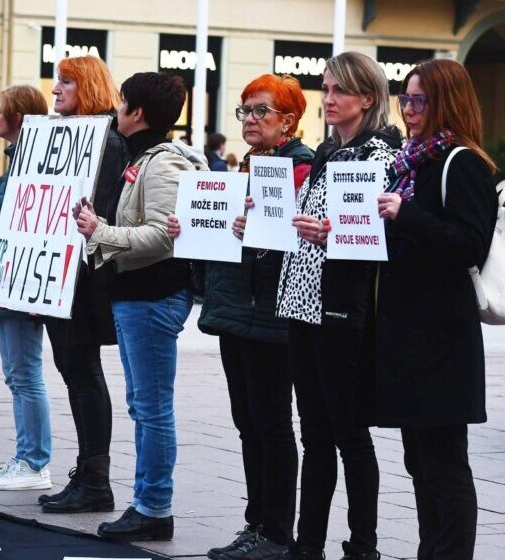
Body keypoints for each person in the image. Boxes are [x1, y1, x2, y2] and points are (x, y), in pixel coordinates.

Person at [167, 73, 315, 559]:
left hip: (271, 316)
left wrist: (259, 226)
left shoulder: (301, 169)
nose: (250, 120)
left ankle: (275, 531)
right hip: (238, 311)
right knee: (248, 421)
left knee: (271, 423)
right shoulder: (250, 167)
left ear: (288, 121)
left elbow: (298, 237)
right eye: (245, 111)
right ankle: (257, 524)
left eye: (261, 111)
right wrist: (189, 228)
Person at [276, 53, 399, 560]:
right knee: (315, 436)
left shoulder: (381, 155)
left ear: (367, 98)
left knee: (350, 434)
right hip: (303, 305)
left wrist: (333, 234)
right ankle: (308, 545)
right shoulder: (328, 153)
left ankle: (362, 546)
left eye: (339, 90)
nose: (327, 99)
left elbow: (377, 239)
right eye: (325, 88)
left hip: (343, 309)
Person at [375, 58, 498, 560]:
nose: (408, 109)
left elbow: (469, 244)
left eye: (418, 100)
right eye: (405, 99)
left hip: (443, 339)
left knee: (445, 463)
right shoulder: (412, 161)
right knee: (419, 461)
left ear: (446, 101)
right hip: (408, 335)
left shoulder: (463, 163)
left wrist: (407, 215)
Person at [76, 71, 203, 542]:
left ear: (138, 113)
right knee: (143, 406)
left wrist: (99, 232)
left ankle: (153, 507)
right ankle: (148, 502)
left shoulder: (162, 164)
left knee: (151, 409)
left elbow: (162, 237)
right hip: (136, 296)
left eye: (122, 102)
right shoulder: (145, 158)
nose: (115, 110)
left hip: (152, 295)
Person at [36, 56, 130, 514]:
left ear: (88, 87)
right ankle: (88, 473)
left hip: (83, 275)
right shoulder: (61, 135)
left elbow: (101, 208)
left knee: (82, 371)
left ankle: (95, 478)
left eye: (66, 83)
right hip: (56, 270)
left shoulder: (107, 143)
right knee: (72, 370)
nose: (56, 91)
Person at [0, 85, 53, 490]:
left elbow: (35, 223)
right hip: (12, 277)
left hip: (22, 280)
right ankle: (27, 457)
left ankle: (34, 461)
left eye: (0, 111)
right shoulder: (20, 159)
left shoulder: (30, 161)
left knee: (24, 372)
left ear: (18, 117)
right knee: (18, 373)